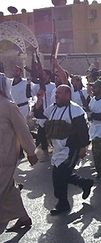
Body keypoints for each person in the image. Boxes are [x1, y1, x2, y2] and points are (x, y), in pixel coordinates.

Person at [33, 85, 93, 215]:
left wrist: (83, 148)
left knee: (59, 175)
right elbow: (38, 114)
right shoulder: (53, 109)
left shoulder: (75, 110)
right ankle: (85, 183)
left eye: (59, 93)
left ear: (67, 94)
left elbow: (83, 131)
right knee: (62, 174)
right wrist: (39, 99)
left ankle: (62, 204)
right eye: (56, 93)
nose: (56, 95)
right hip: (57, 149)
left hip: (71, 148)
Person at [0, 73, 38, 232]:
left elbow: (22, 130)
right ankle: (23, 217)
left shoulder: (8, 106)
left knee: (3, 187)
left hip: (5, 154)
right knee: (7, 187)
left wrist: (31, 152)